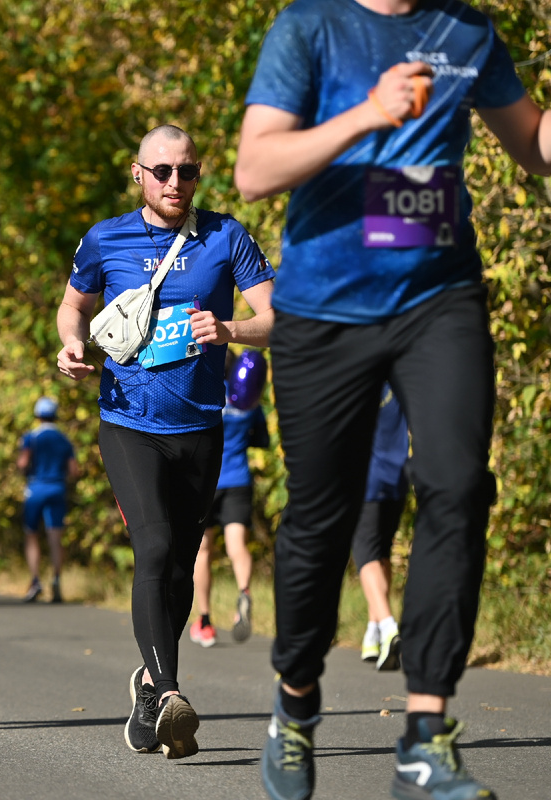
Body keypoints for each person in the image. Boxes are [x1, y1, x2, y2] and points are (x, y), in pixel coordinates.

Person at [235, 1, 550, 796]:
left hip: (438, 297)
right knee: (322, 513)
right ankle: (297, 702)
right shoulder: (309, 27)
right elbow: (255, 169)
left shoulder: (469, 31)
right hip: (324, 307)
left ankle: (424, 729)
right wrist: (367, 114)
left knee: (457, 485)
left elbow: (532, 144)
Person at [57, 124, 275, 759]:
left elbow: (280, 319)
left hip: (203, 427)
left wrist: (230, 328)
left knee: (181, 563)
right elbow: (73, 307)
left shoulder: (226, 237)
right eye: (162, 172)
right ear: (138, 173)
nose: (175, 183)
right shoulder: (106, 238)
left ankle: (149, 687)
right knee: (152, 545)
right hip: (129, 423)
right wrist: (71, 344)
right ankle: (173, 692)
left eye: (187, 171)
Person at [189, 350, 269, 647]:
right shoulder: (247, 401)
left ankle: (205, 620)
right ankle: (244, 593)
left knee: (204, 551)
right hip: (239, 480)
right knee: (237, 546)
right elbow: (262, 439)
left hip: (207, 482)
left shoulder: (205, 395)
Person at [354, 384, 410, 672]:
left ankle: (388, 626)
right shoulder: (401, 378)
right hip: (397, 476)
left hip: (366, 478)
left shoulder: (360, 372)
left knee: (365, 554)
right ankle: (373, 633)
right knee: (382, 552)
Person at [16, 396, 78, 604]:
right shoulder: (64, 439)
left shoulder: (31, 437)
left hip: (36, 488)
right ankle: (57, 579)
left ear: (37, 415)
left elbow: (23, 463)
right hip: (57, 488)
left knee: (31, 534)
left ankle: (35, 580)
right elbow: (73, 470)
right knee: (55, 537)